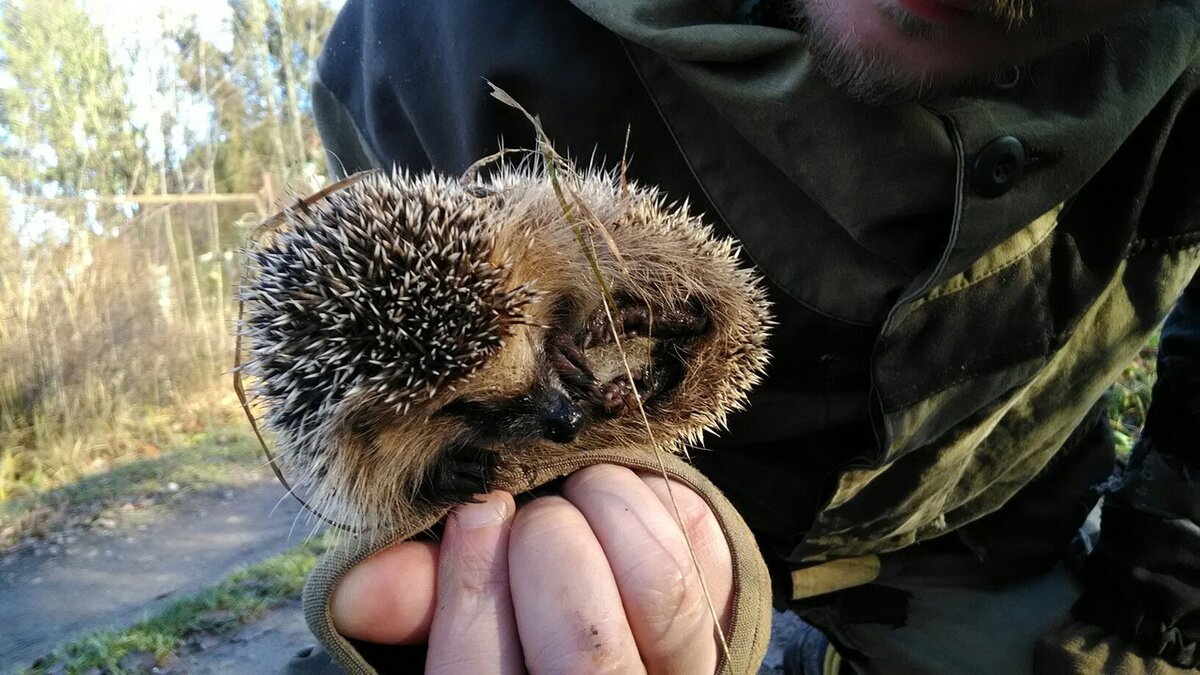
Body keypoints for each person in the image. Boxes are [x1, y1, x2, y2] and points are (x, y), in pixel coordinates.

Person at [285, 0, 1200, 672]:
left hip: (990, 530)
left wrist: (1160, 588)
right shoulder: (413, 52)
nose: (553, 408)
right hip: (665, 547)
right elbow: (401, 444)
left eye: (547, 355)